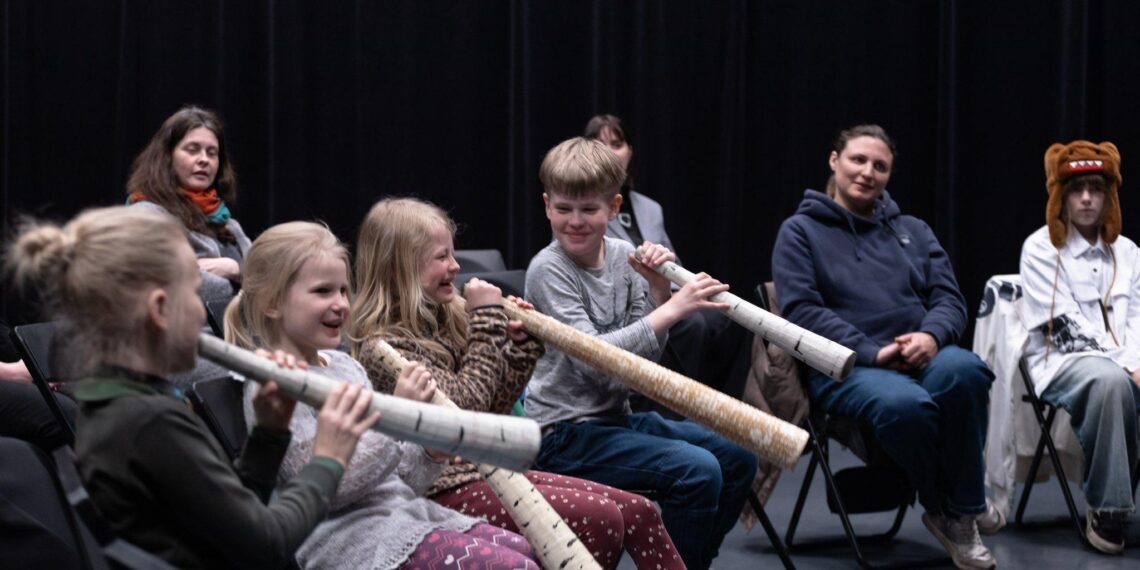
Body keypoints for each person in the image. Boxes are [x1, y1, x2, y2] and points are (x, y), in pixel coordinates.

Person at [6, 205, 377, 568]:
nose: (204, 313)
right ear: (160, 308)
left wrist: (267, 435)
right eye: (196, 295)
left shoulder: (120, 402)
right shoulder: (149, 422)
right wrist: (328, 459)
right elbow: (267, 544)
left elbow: (234, 521)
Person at [350, 197, 683, 569]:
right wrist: (488, 321)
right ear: (401, 269)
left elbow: (494, 408)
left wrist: (522, 349)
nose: (455, 266)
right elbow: (462, 415)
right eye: (441, 257)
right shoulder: (385, 347)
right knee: (602, 519)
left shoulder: (447, 316)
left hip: (490, 472)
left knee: (640, 511)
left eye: (453, 253)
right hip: (441, 489)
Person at [226, 220, 541, 570]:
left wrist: (428, 452)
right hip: (346, 538)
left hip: (402, 515)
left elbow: (400, 480)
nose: (341, 304)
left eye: (344, 291)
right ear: (272, 303)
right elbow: (330, 490)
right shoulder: (273, 384)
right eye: (322, 291)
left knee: (526, 550)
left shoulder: (346, 366)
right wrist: (400, 420)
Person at [524, 136, 758, 570]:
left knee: (739, 457)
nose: (575, 221)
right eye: (563, 208)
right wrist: (669, 309)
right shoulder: (548, 269)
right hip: (562, 434)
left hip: (614, 418)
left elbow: (637, 371)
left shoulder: (626, 258)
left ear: (613, 209)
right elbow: (597, 364)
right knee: (698, 471)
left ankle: (688, 563)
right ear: (546, 205)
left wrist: (656, 288)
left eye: (589, 209)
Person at [771, 124, 996, 570]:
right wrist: (872, 352)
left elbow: (949, 298)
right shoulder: (799, 232)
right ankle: (957, 510)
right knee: (905, 405)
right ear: (834, 160)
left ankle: (957, 508)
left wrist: (931, 336)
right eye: (858, 160)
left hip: (921, 354)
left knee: (967, 371)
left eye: (880, 166)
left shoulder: (912, 229)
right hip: (847, 366)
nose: (868, 172)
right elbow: (800, 312)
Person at [1019, 140, 1140, 554]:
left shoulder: (1129, 252)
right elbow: (1065, 328)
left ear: (1110, 195)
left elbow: (1139, 318)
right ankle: (1109, 509)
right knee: (1111, 382)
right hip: (1062, 362)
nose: (1087, 198)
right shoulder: (1040, 248)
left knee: (1118, 380)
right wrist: (1129, 365)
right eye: (1076, 189)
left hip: (1126, 364)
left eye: (1096, 188)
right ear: (1061, 195)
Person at [126, 105, 251, 306]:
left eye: (212, 153)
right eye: (192, 150)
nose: (204, 160)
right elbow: (167, 281)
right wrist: (242, 286)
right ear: (167, 156)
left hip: (240, 334)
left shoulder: (230, 226)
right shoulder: (145, 215)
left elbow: (271, 283)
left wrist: (236, 269)